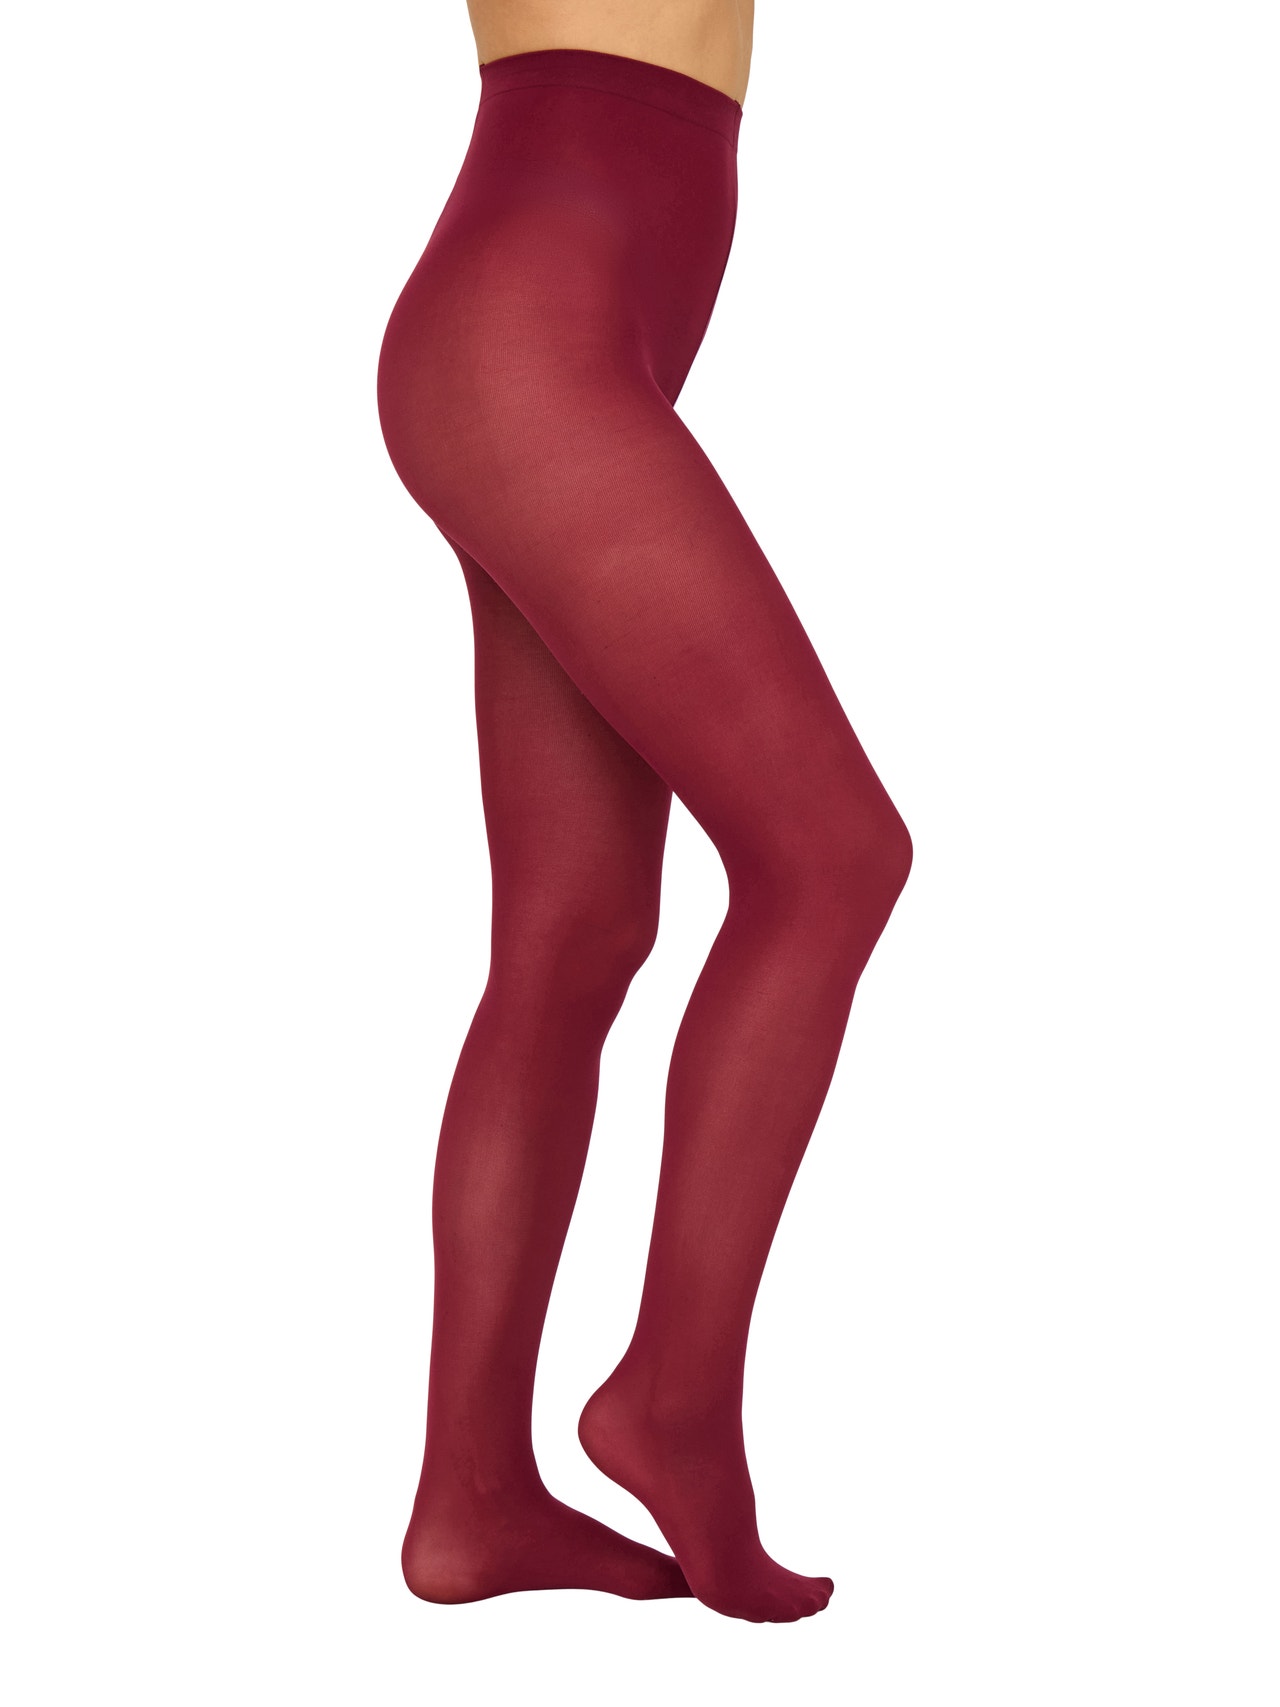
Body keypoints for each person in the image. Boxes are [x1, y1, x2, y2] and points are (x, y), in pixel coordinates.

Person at [376, 0, 912, 1625]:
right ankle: (674, 1403)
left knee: (575, 930)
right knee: (833, 861)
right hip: (530, 348)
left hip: (547, 341)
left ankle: (471, 1500)